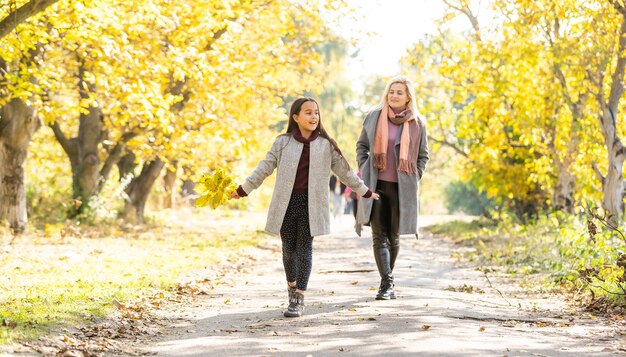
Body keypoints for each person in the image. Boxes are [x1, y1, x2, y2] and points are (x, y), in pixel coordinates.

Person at [231, 97, 380, 317]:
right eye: (308, 113)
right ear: (296, 117)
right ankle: (292, 286)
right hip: (286, 204)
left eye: (316, 113)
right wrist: (244, 188)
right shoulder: (282, 142)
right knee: (288, 251)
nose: (313, 117)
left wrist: (365, 191)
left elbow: (345, 173)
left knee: (304, 249)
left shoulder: (326, 146)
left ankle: (299, 297)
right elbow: (265, 167)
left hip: (312, 205)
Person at [356, 76, 429, 300]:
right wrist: (365, 169)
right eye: (391, 91)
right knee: (378, 236)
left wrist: (414, 178)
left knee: (393, 237)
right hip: (376, 185)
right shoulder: (374, 117)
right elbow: (362, 146)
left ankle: (386, 280)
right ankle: (387, 284)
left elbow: (423, 156)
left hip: (402, 189)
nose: (394, 95)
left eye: (399, 92)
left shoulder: (417, 123)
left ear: (408, 97)